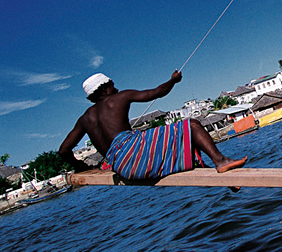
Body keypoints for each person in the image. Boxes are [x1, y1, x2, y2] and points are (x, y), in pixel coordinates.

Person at [59, 70, 248, 180]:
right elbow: (158, 92)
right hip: (136, 156)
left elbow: (63, 150)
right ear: (106, 88)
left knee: (177, 143)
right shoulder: (118, 97)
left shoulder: (84, 119)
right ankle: (221, 162)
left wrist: (80, 166)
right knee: (191, 126)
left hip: (123, 169)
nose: (115, 88)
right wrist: (173, 80)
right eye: (112, 85)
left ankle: (222, 177)